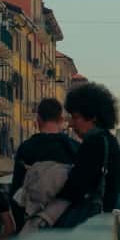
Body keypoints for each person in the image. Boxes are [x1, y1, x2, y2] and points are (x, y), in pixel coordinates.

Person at [54, 83, 120, 226]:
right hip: (102, 222)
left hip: (86, 222)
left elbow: (76, 186)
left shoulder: (94, 143)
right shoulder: (110, 142)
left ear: (92, 116)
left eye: (76, 117)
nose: (71, 124)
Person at [10, 98, 79, 231]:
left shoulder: (26, 148)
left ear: (38, 119)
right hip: (65, 225)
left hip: (33, 225)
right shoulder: (74, 148)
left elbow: (16, 190)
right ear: (60, 119)